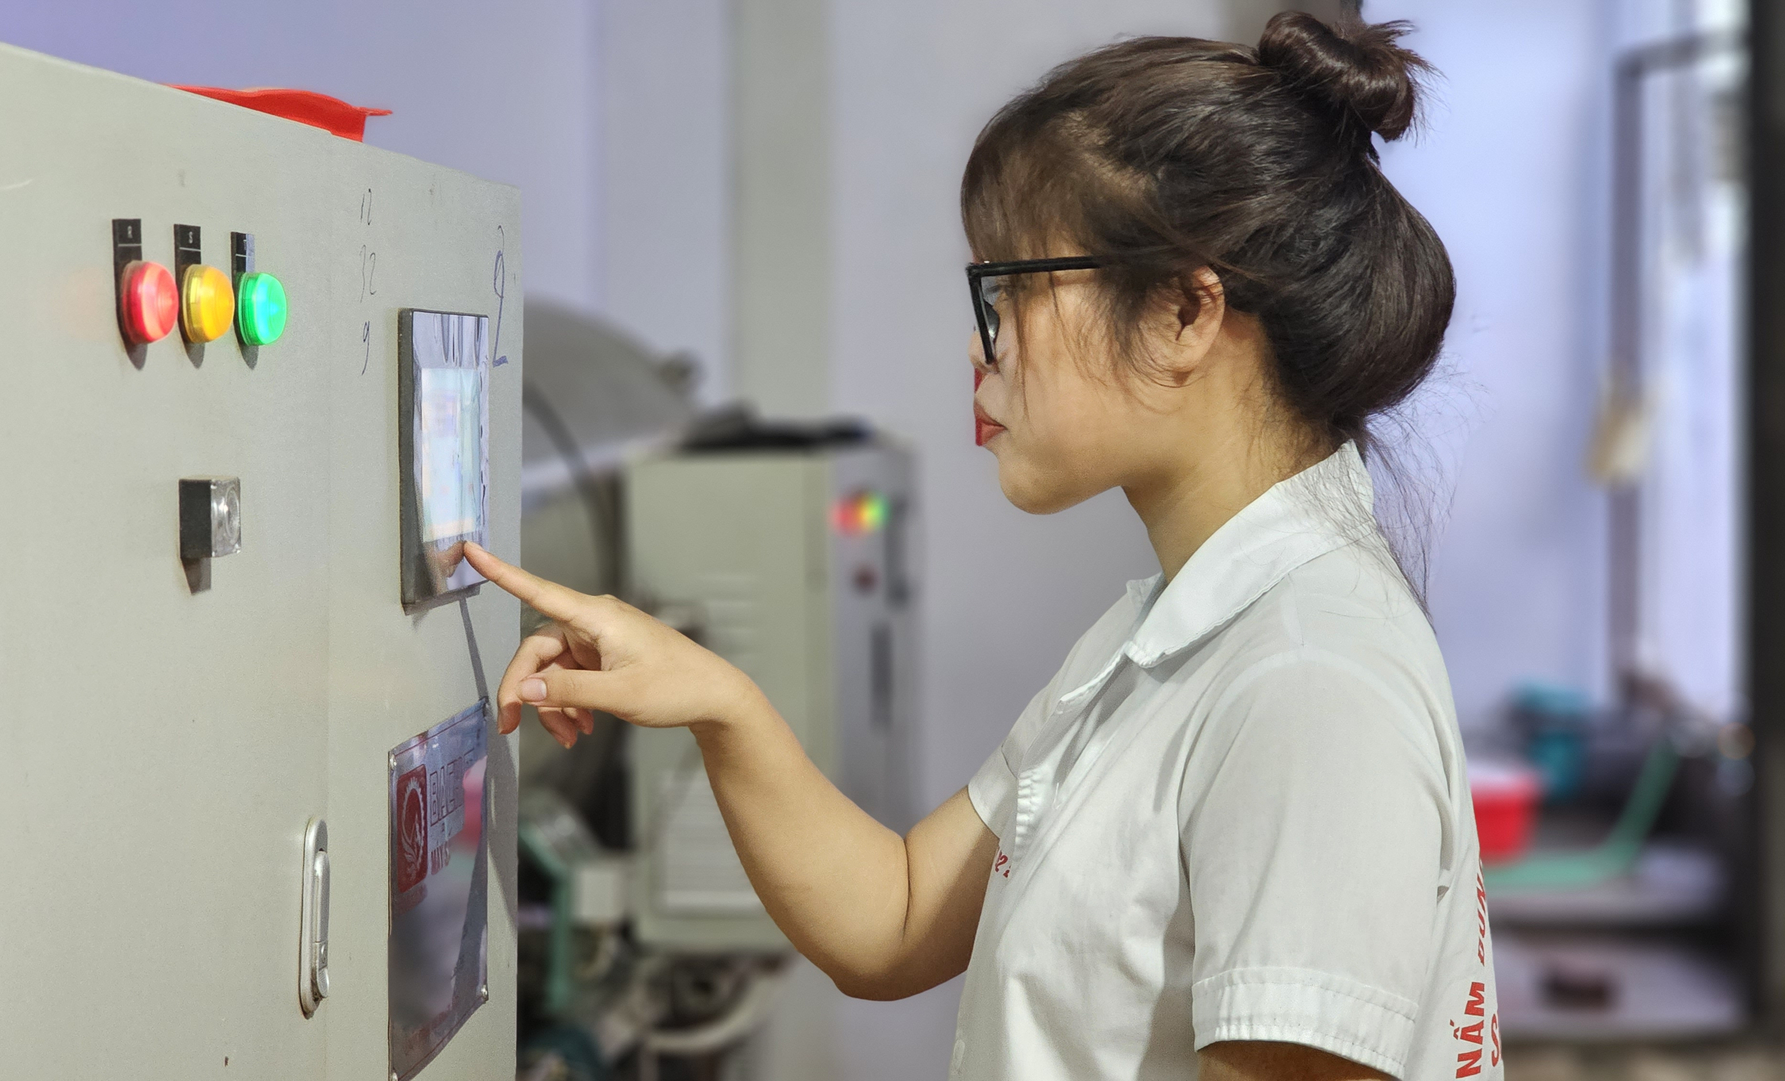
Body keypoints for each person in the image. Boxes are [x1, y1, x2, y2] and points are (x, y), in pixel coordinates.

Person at [467, 11, 1498, 1080]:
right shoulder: (1165, 633)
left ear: (1187, 312)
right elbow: (899, 917)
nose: (979, 344)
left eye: (1010, 290)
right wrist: (719, 702)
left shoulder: (1306, 679)